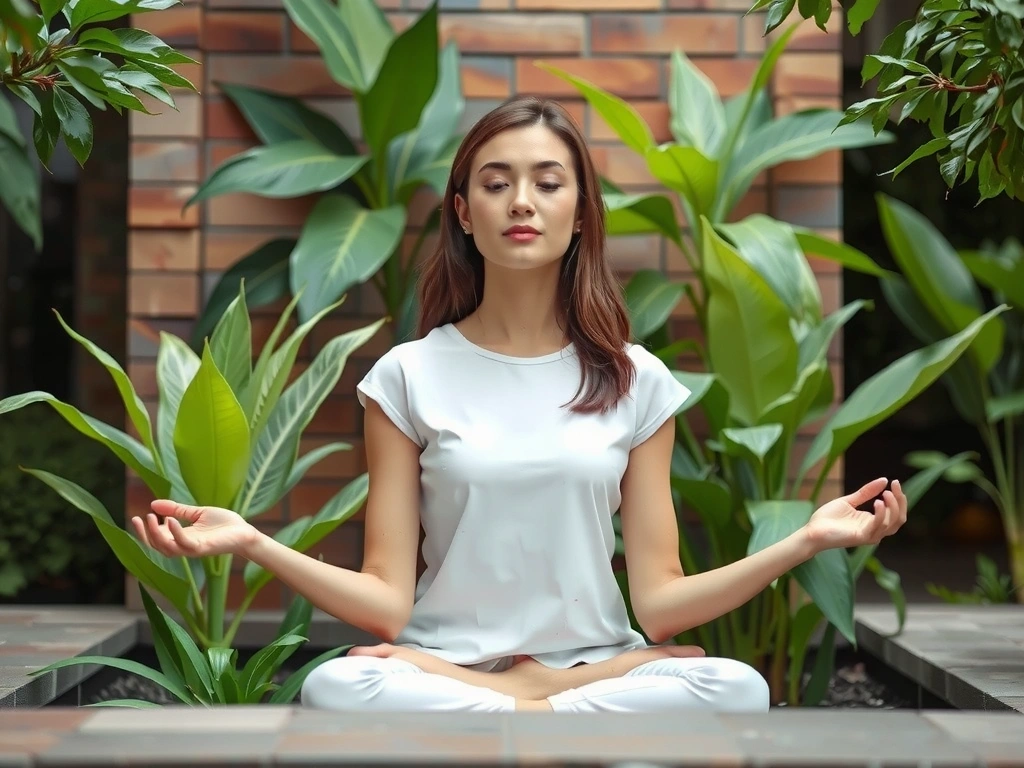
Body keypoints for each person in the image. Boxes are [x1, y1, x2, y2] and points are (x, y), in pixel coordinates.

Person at [133, 96, 908, 715]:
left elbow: (662, 605)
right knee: (339, 685)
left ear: (580, 213)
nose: (521, 202)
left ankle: (521, 710)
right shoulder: (408, 375)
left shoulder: (635, 380)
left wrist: (806, 541)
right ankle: (532, 709)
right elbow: (383, 602)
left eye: (547, 182)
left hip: (592, 670)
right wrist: (252, 544)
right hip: (447, 670)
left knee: (733, 686)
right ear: (465, 212)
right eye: (496, 183)